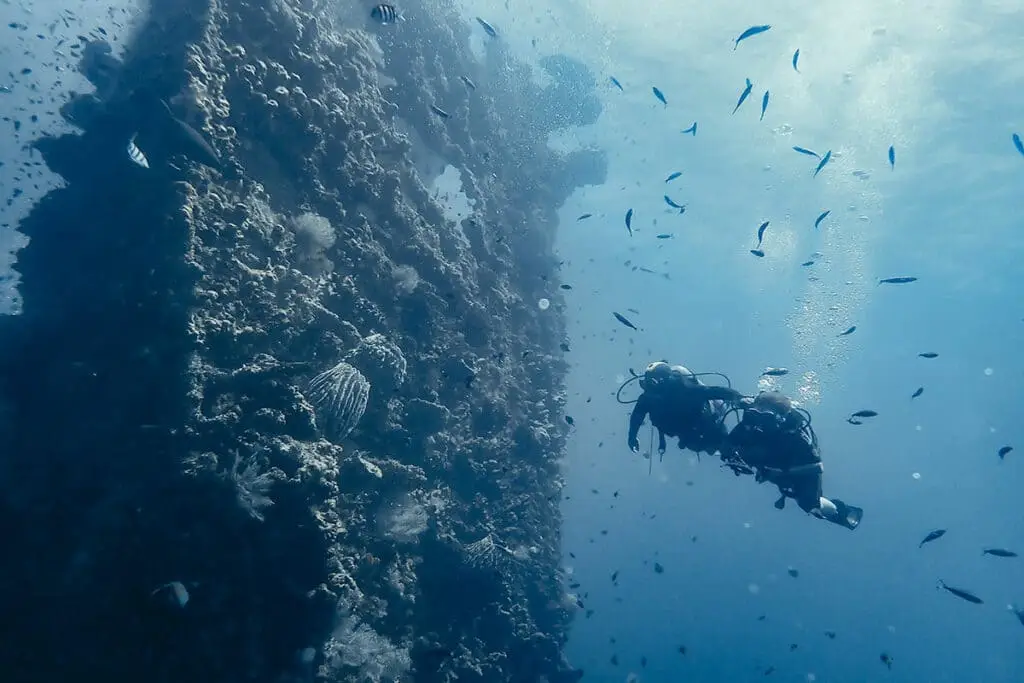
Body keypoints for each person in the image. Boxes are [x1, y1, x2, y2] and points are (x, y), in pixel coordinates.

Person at [723, 391, 863, 530]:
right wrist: (731, 455)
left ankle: (840, 512)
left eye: (766, 418)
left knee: (808, 504)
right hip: (770, 459)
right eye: (754, 413)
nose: (758, 423)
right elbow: (731, 440)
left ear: (780, 418)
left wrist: (780, 472)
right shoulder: (752, 419)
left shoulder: (796, 435)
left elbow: (817, 467)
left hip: (797, 465)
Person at [627, 361, 744, 458]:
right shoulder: (647, 398)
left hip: (704, 422)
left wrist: (739, 398)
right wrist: (632, 436)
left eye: (653, 383)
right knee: (701, 446)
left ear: (663, 382)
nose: (650, 389)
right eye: (648, 383)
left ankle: (735, 452)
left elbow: (710, 391)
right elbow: (637, 416)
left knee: (718, 442)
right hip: (686, 432)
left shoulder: (683, 388)